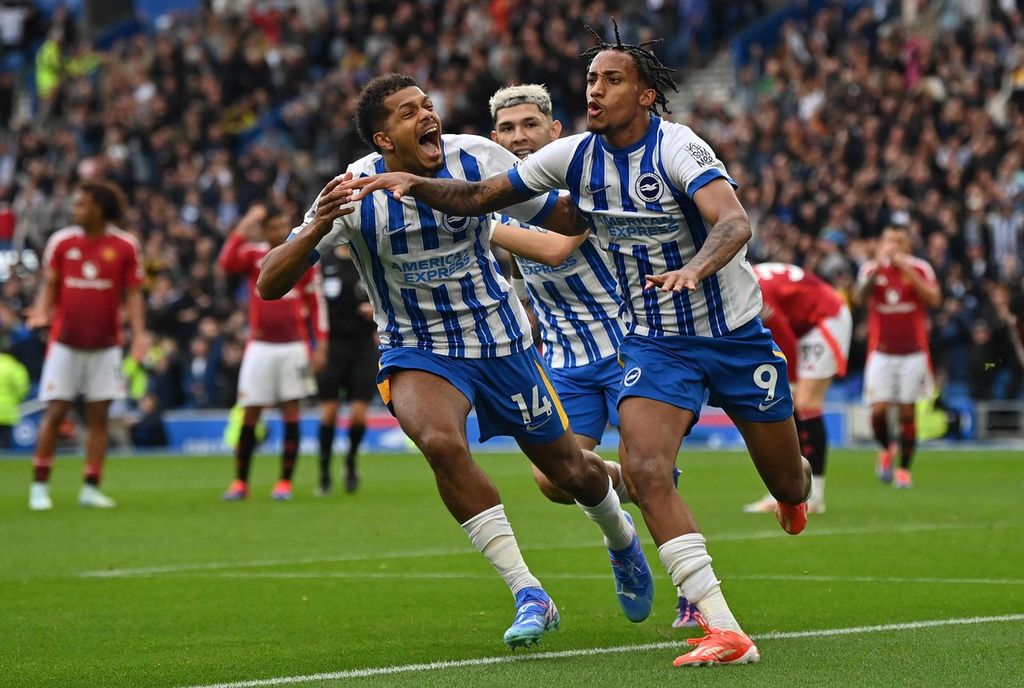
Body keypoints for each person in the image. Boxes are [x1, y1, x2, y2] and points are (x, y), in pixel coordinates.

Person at [342, 27, 814, 667]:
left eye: (611, 79)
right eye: (591, 79)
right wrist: (414, 185)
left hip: (730, 334)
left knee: (786, 478)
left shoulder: (679, 148)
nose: (596, 89)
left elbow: (733, 221)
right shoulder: (570, 158)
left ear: (646, 94)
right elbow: (481, 198)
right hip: (650, 342)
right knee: (639, 472)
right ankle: (721, 625)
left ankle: (789, 492)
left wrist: (695, 270)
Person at [258, 73, 655, 649]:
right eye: (406, 112)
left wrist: (617, 203)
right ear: (382, 138)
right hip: (417, 348)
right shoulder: (352, 192)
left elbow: (561, 220)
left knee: (568, 472)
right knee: (442, 444)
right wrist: (319, 223)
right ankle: (529, 592)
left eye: (426, 105)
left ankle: (621, 540)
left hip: (501, 341)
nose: (425, 115)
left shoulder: (477, 157)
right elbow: (270, 282)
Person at [487, 83, 701, 630]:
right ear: (495, 138)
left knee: (646, 470)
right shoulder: (505, 198)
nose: (519, 137)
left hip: (627, 341)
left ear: (553, 131)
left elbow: (559, 247)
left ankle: (692, 591)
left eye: (530, 125)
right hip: (561, 355)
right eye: (508, 129)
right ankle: (622, 537)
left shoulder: (579, 179)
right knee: (552, 480)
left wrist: (477, 222)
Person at [25, 179, 146, 510]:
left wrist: (140, 336)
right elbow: (50, 284)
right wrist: (41, 312)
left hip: (106, 345)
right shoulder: (61, 243)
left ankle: (91, 486)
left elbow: (133, 294)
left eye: (80, 204)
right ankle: (39, 486)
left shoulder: (124, 246)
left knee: (99, 417)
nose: (73, 209)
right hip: (64, 344)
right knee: (55, 411)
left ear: (98, 208)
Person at [217, 203, 327, 502]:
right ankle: (241, 482)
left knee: (291, 411)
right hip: (260, 345)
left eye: (283, 226)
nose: (279, 232)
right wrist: (246, 221)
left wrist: (321, 343)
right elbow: (225, 263)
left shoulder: (300, 255)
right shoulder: (254, 255)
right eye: (273, 227)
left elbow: (316, 302)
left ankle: (284, 483)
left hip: (293, 346)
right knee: (250, 412)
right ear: (265, 230)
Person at [742, 263, 852, 514]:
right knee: (793, 404)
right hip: (804, 323)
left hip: (825, 317)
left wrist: (789, 382)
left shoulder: (753, 292)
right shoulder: (746, 277)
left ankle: (814, 496)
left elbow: (784, 339)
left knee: (805, 403)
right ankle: (787, 491)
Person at [855, 223, 941, 488]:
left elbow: (934, 299)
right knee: (878, 412)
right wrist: (879, 269)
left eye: (899, 241)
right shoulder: (871, 269)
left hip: (913, 353)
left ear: (908, 246)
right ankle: (887, 448)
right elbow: (859, 299)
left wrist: (905, 269)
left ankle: (904, 470)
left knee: (907, 412)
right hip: (881, 353)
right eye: (888, 240)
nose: (893, 246)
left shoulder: (920, 268)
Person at [314, 244, 378, 496]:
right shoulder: (324, 262)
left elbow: (387, 294)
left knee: (359, 415)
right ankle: (324, 472)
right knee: (328, 413)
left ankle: (350, 462)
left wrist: (375, 310)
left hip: (362, 347)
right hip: (332, 347)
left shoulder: (367, 259)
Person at [0, 335, 30, 448]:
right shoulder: (14, 367)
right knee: (5, 446)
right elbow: (23, 388)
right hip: (8, 412)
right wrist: (16, 399)